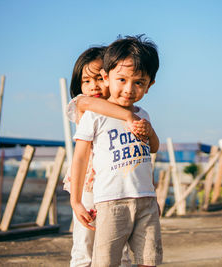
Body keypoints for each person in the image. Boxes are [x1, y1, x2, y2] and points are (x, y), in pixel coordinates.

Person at [71, 35, 162, 267]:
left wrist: (148, 130)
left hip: (142, 198)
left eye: (139, 82)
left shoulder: (144, 115)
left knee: (145, 258)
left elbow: (148, 153)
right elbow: (79, 157)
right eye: (121, 79)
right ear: (108, 77)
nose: (129, 89)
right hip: (102, 194)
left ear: (149, 85)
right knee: (89, 250)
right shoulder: (90, 108)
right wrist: (75, 201)